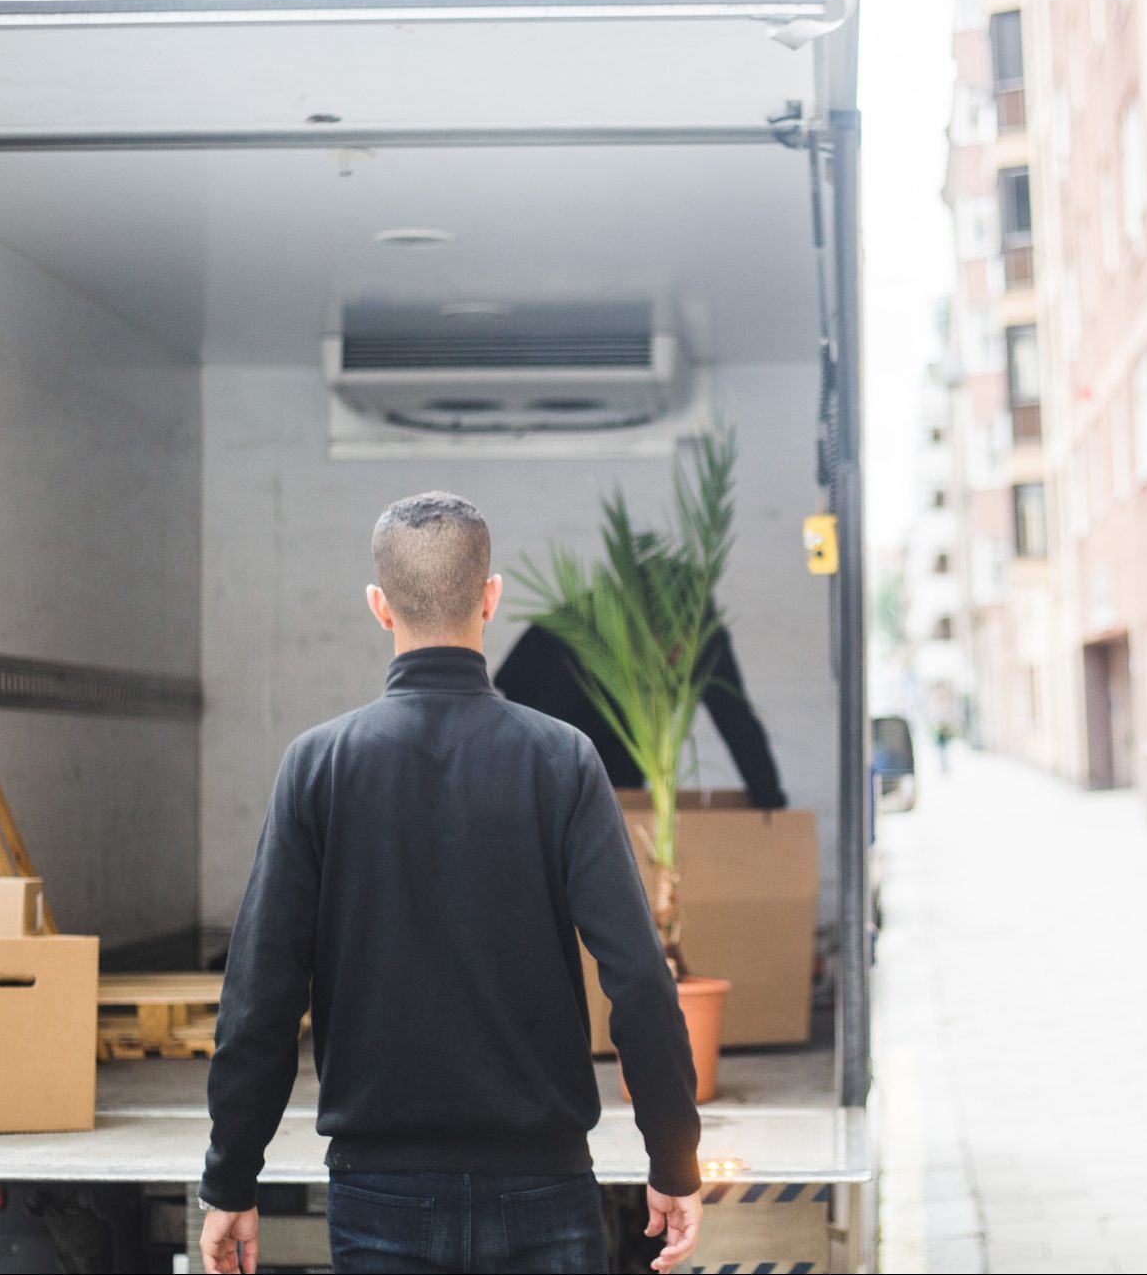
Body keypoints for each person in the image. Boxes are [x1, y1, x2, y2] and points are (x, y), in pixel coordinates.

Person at [198, 492, 703, 1275]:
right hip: (545, 1182)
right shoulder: (562, 759)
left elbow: (260, 993)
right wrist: (673, 1162)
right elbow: (639, 977)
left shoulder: (319, 764)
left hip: (380, 1191)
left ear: (379, 607)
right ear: (490, 597)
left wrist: (231, 1177)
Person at [496, 615, 787, 810]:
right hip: (544, 700)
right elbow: (544, 734)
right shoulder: (586, 635)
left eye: (682, 648)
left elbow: (737, 722)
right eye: (667, 643)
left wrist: (770, 803)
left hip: (618, 736)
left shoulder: (704, 637)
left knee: (622, 789)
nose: (675, 656)